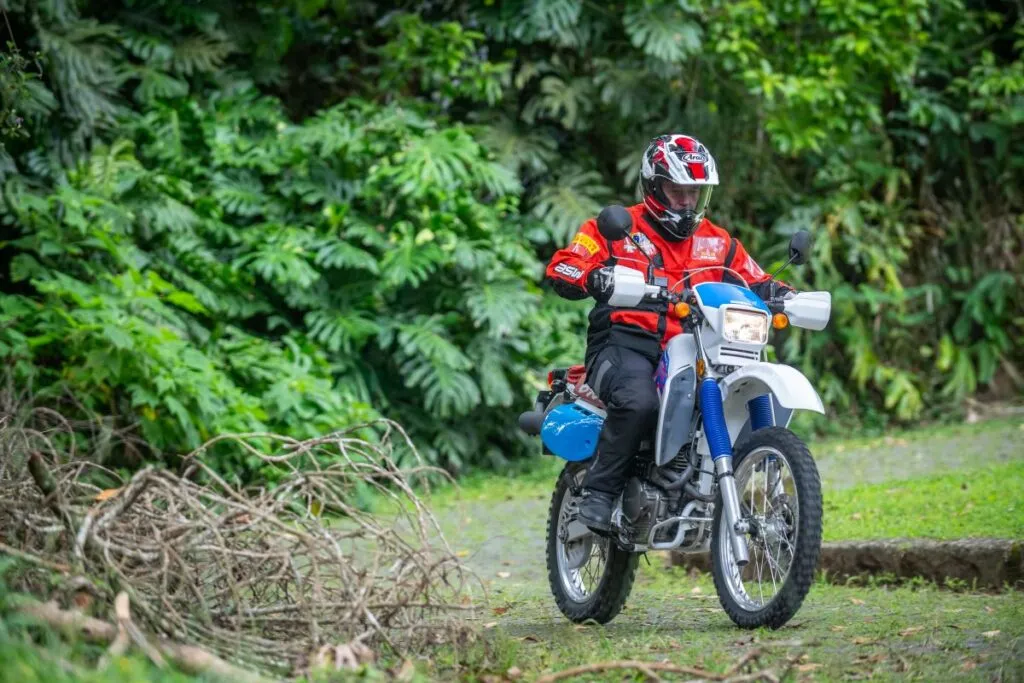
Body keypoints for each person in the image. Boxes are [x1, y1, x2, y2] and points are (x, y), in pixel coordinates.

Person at [544, 134, 793, 533]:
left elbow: (757, 279)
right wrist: (595, 277)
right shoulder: (615, 230)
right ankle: (599, 493)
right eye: (678, 191)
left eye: (694, 193)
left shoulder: (717, 241)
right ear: (654, 187)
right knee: (638, 401)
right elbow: (563, 265)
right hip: (623, 344)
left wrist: (786, 296)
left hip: (698, 350)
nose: (686, 202)